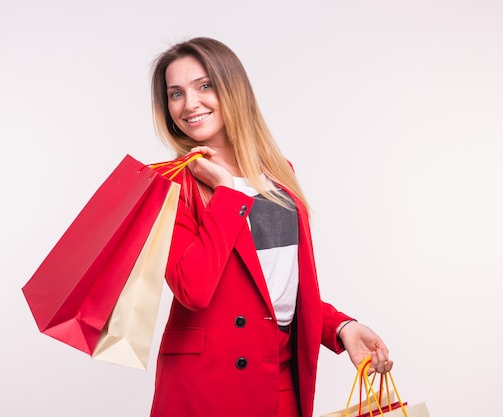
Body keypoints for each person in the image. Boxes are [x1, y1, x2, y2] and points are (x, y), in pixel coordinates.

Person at [148, 37, 393, 417]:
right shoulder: (170, 184)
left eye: (204, 85)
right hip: (208, 382)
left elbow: (276, 285)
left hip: (278, 373)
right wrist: (227, 192)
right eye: (175, 93)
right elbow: (191, 289)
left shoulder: (280, 173)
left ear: (234, 89)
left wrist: (340, 328)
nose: (189, 103)